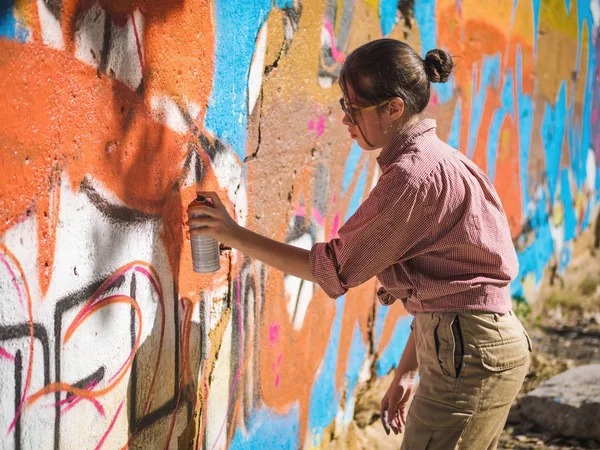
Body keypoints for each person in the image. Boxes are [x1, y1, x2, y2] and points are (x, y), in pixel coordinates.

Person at [186, 38, 531, 449]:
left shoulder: (412, 177)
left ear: (394, 108)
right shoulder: (444, 160)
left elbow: (334, 269)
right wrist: (406, 372)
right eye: (343, 105)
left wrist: (232, 234)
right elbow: (453, 288)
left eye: (354, 108)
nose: (346, 119)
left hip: (468, 355)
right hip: (477, 348)